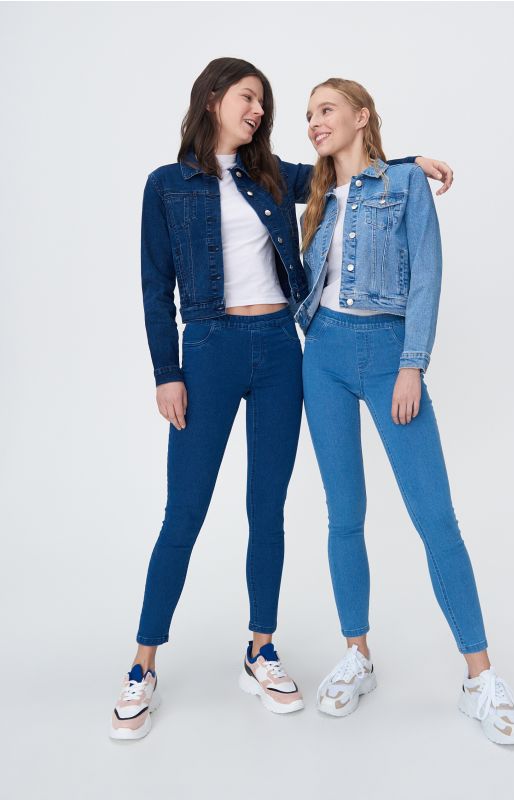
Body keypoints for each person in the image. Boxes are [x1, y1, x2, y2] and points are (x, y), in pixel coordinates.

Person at [109, 58, 450, 740]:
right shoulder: (166, 185)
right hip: (208, 351)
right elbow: (154, 287)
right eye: (248, 97)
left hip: (279, 351)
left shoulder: (270, 176)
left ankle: (260, 648)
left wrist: (409, 162)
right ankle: (143, 662)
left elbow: (345, 169)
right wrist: (166, 371)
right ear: (212, 99)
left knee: (267, 508)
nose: (258, 110)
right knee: (184, 511)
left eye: (263, 101)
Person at [298, 78, 514, 745]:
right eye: (308, 114)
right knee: (344, 514)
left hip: (387, 352)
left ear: (361, 115)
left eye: (325, 110)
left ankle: (479, 678)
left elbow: (426, 275)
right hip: (323, 357)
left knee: (435, 518)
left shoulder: (404, 185)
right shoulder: (315, 195)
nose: (313, 121)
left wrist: (412, 364)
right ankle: (357, 655)